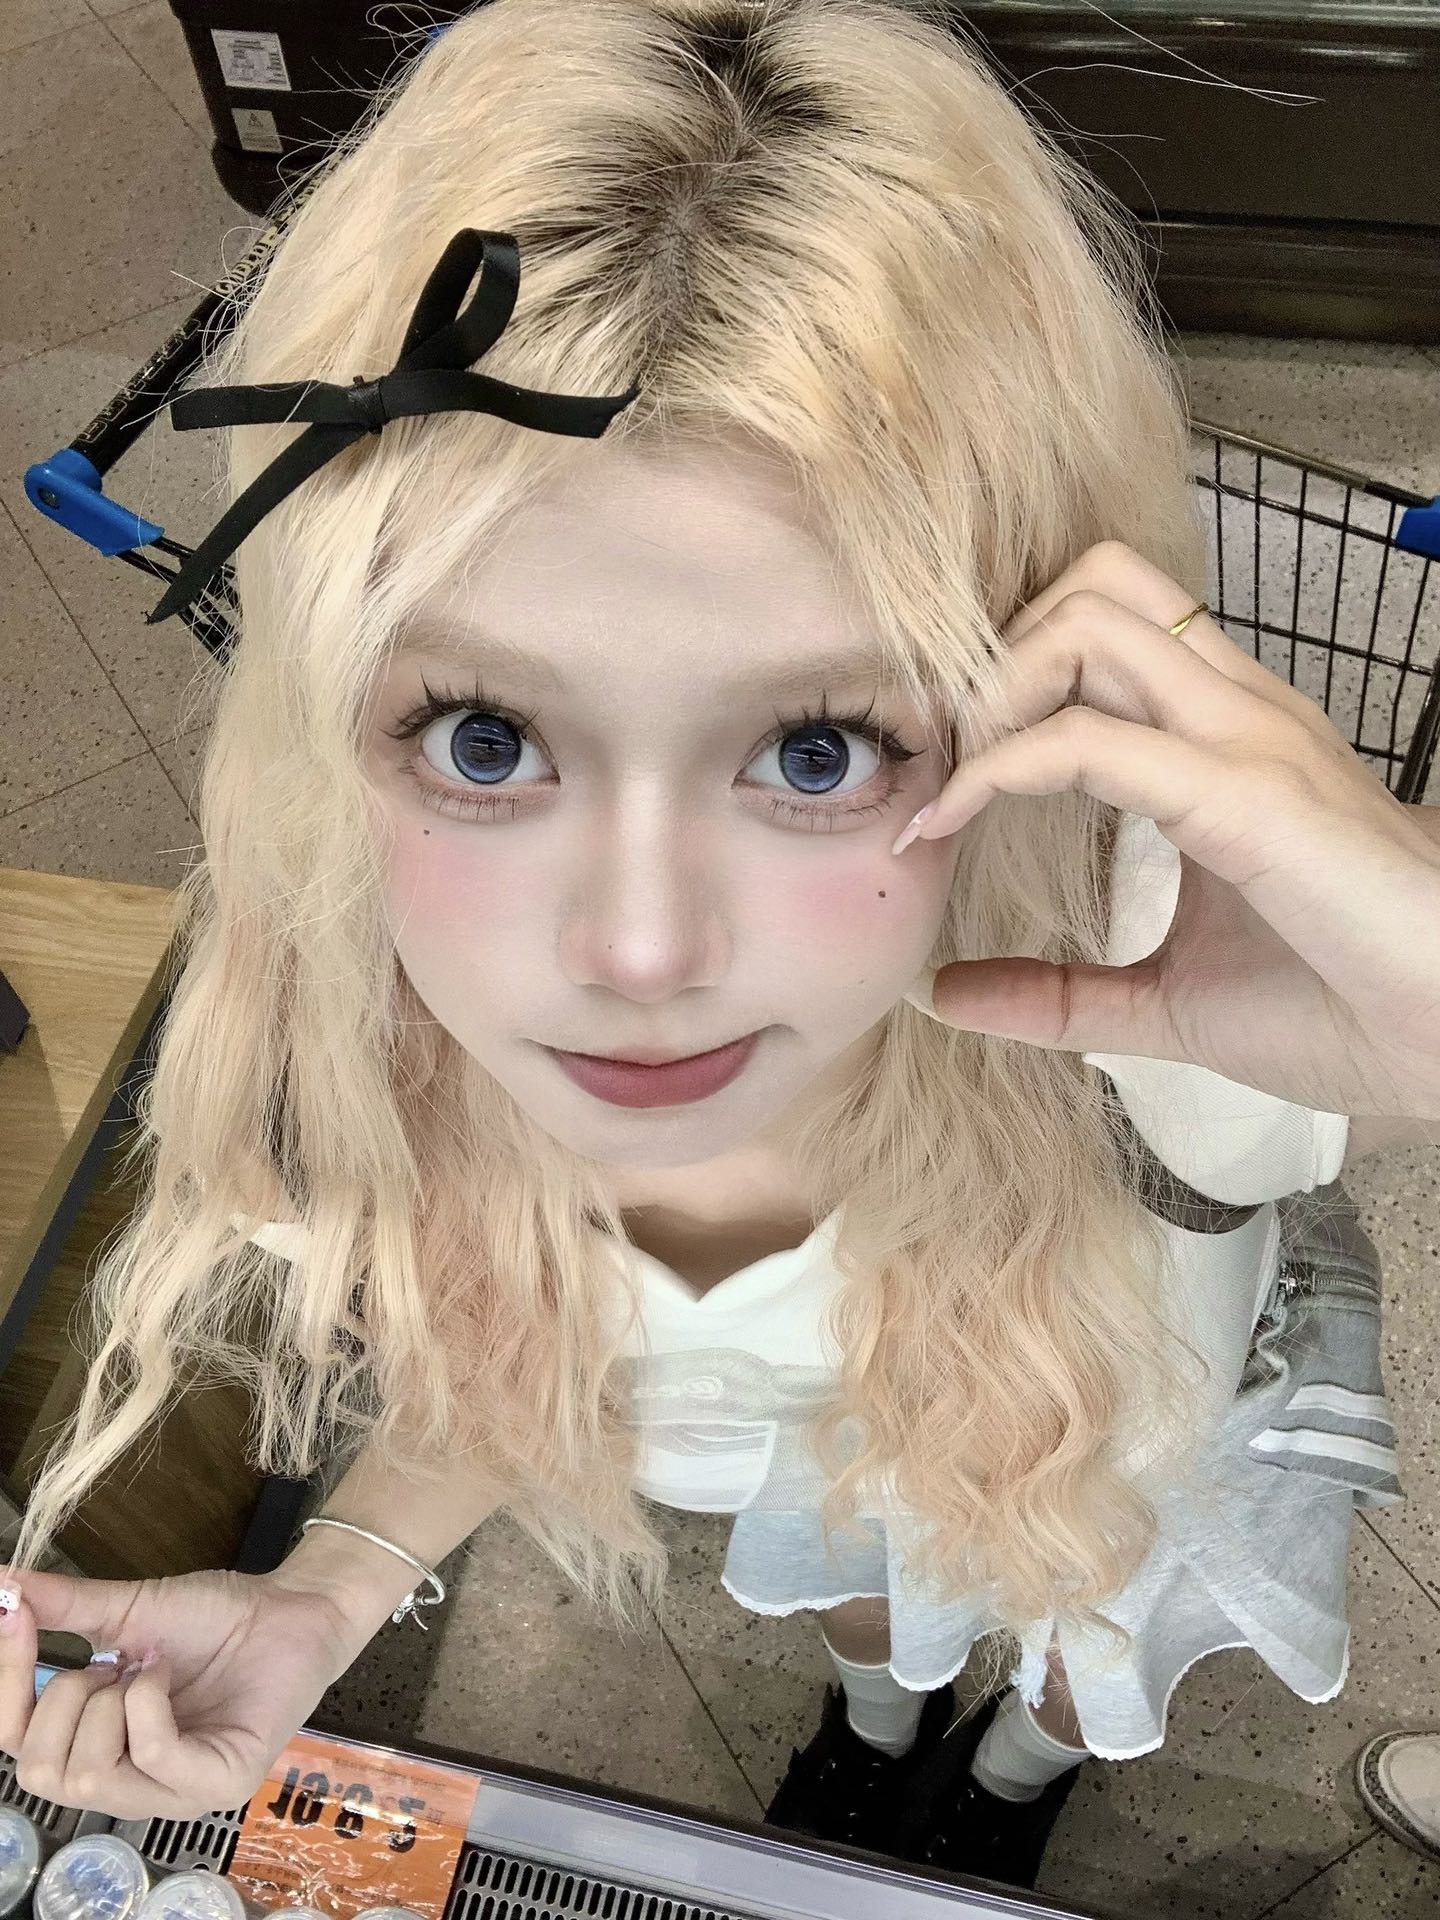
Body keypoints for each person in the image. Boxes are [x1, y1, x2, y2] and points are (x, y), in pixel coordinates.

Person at [1, 0, 1437, 1889]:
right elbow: (542, 1353)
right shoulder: (350, 1043)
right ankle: (879, 1728)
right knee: (853, 1599)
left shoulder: (1152, 993)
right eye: (486, 741)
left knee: (1084, 1655)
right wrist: (330, 1590)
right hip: (833, 1501)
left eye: (815, 751)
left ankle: (1014, 1782)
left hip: (1108, 1482)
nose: (639, 949)